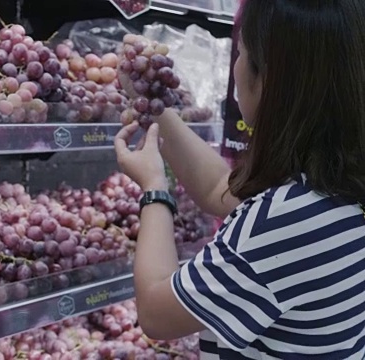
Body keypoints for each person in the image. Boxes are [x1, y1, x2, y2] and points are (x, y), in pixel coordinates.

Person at [114, 0, 365, 358]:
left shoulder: (284, 222)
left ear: (269, 80)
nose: (236, 65)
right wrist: (154, 106)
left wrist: (154, 188)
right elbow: (221, 190)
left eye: (242, 51)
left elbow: (156, 312)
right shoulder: (331, 187)